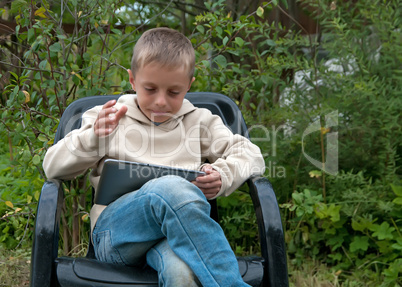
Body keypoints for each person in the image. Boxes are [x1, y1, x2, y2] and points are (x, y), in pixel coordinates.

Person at [43, 27, 265, 286]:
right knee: (169, 187)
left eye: (173, 92)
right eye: (150, 89)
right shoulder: (107, 118)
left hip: (175, 239)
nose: (161, 101)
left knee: (181, 273)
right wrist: (93, 136)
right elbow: (52, 168)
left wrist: (223, 175)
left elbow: (251, 153)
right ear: (133, 80)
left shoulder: (200, 121)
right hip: (115, 237)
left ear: (189, 85)